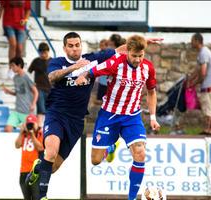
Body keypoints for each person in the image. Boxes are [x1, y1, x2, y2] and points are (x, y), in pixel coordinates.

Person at [25, 32, 127, 200]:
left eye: (77, 45)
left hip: (76, 121)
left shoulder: (93, 59)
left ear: (81, 45)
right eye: (70, 46)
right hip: (56, 114)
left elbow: (121, 50)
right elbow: (52, 77)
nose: (74, 48)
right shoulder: (57, 62)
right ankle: (42, 197)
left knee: (52, 167)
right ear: (65, 48)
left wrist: (142, 42)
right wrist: (74, 67)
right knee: (50, 152)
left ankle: (38, 168)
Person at [75, 35, 160, 200]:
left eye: (140, 56)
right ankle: (110, 148)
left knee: (140, 153)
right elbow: (93, 71)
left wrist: (153, 117)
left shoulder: (148, 68)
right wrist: (82, 76)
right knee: (95, 160)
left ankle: (132, 198)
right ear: (127, 51)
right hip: (109, 116)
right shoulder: (115, 63)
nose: (137, 60)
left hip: (132, 117)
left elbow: (151, 92)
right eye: (134, 56)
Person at [187, 33, 211, 135]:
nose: (191, 43)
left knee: (208, 109)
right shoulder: (203, 53)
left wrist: (194, 83)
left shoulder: (203, 53)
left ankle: (208, 130)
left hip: (209, 86)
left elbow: (203, 72)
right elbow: (198, 69)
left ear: (197, 41)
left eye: (192, 40)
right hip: (210, 85)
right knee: (209, 108)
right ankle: (210, 129)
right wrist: (190, 79)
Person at [2, 57, 38, 132]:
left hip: (27, 111)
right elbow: (18, 93)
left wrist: (33, 104)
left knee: (29, 133)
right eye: (11, 66)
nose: (11, 68)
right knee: (7, 129)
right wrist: (8, 92)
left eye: (13, 66)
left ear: (19, 65)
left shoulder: (27, 76)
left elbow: (36, 92)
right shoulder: (15, 78)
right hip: (17, 110)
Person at [15, 114, 44, 200]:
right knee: (26, 197)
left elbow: (40, 148)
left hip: (35, 172)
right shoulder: (24, 135)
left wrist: (32, 135)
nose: (30, 126)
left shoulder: (40, 134)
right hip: (23, 171)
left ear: (36, 124)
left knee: (36, 197)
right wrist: (21, 132)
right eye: (29, 124)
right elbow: (17, 145)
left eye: (32, 123)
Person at [27, 42, 52, 127]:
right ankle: (39, 128)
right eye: (41, 53)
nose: (43, 55)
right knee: (41, 110)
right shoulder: (36, 61)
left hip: (51, 89)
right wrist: (32, 84)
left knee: (50, 110)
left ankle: (48, 127)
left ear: (48, 52)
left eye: (45, 53)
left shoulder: (53, 62)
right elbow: (29, 72)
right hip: (39, 89)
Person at [95, 39, 110, 105]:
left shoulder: (109, 53)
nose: (101, 47)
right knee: (101, 86)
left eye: (102, 45)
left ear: (106, 46)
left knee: (106, 86)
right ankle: (100, 99)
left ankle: (105, 100)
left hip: (107, 73)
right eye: (100, 45)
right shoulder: (99, 53)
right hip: (101, 74)